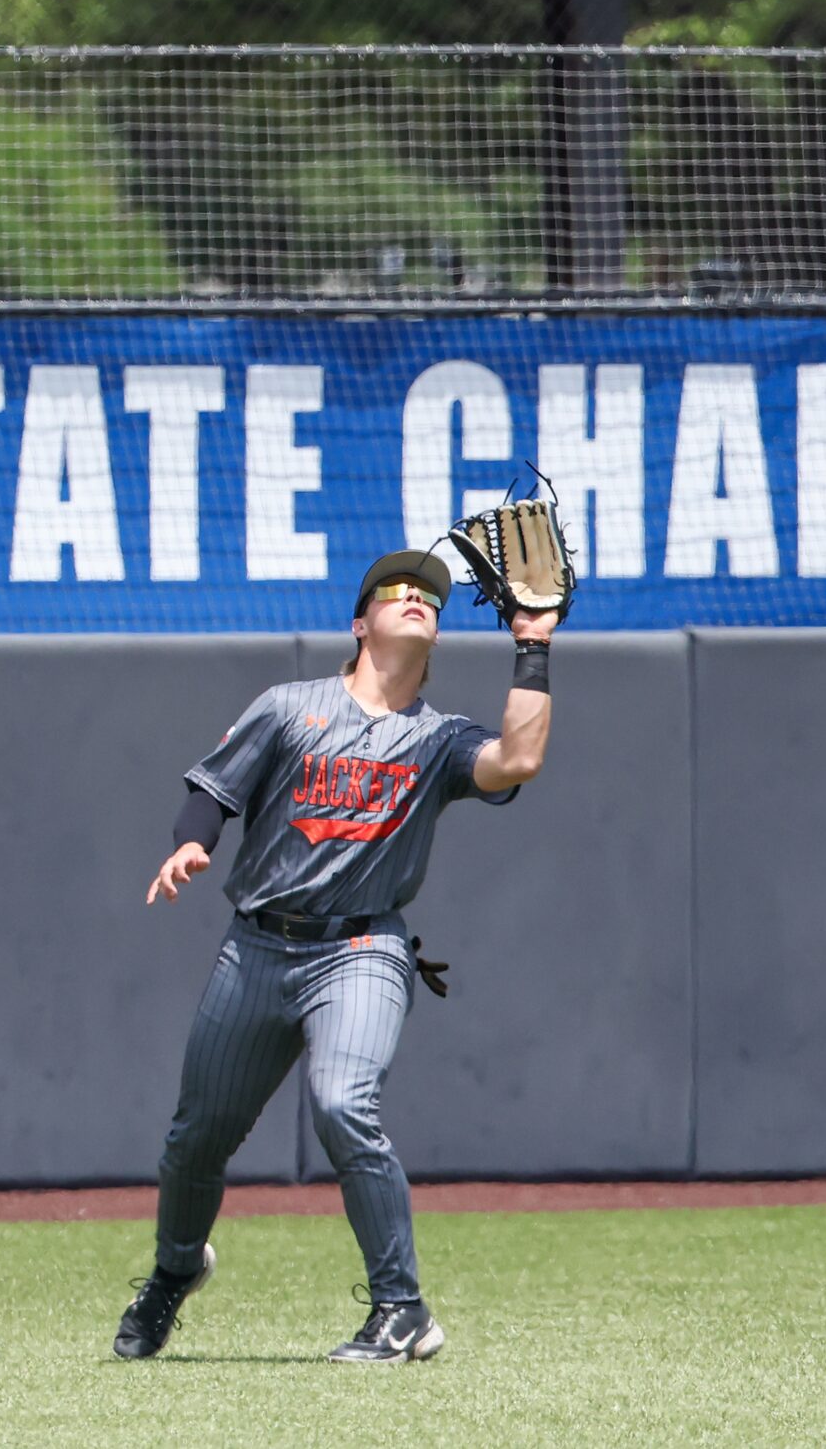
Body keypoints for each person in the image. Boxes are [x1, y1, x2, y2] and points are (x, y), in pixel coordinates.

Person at [113, 546, 558, 1365]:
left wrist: (532, 644)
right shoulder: (291, 707)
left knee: (343, 1101)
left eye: (430, 597)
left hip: (361, 947)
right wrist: (189, 846)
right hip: (256, 946)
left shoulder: (437, 739)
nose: (416, 598)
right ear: (360, 623)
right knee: (195, 1140)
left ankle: (401, 1309)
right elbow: (214, 790)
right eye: (396, 590)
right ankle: (175, 1273)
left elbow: (518, 758)